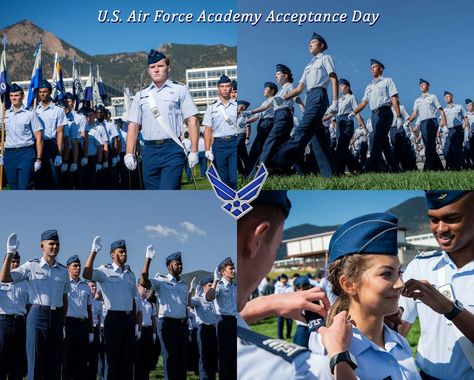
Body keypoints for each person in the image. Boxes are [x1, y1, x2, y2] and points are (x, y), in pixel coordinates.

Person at [237, 191, 357, 379]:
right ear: (256, 240)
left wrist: (267, 304)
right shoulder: (291, 369)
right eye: (276, 248)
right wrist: (339, 354)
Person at [307, 212, 419, 379]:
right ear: (349, 284)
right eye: (386, 274)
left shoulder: (398, 342)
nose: (400, 283)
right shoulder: (327, 354)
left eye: (399, 272)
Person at [399, 191, 474, 379]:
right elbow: (399, 326)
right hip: (425, 374)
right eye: (433, 220)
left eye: (451, 218)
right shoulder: (420, 266)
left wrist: (450, 309)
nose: (440, 229)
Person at [0, 230, 70, 380]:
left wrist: (62, 322)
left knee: (55, 365)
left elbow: (64, 298)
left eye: (57, 244)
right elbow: (5, 277)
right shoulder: (31, 266)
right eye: (51, 243)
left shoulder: (63, 271)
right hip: (38, 315)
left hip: (57, 317)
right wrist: (10, 253)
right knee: (35, 364)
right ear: (42, 246)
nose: (54, 247)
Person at [125, 49, 199, 189]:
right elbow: (133, 126)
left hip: (172, 149)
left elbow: (192, 120)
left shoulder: (180, 90)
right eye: (152, 67)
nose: (156, 70)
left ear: (168, 68)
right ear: (148, 70)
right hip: (149, 151)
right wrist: (129, 153)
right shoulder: (141, 95)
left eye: (160, 66)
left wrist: (194, 150)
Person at [270, 33, 338, 178]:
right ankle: (330, 174)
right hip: (309, 97)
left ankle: (277, 164)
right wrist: (284, 98)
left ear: (321, 45)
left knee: (301, 131)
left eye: (313, 42)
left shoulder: (326, 58)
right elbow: (299, 89)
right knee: (318, 139)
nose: (310, 44)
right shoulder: (308, 66)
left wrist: (335, 101)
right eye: (309, 43)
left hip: (320, 94)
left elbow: (333, 78)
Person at [82, 237, 137, 380]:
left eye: (125, 252)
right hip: (113, 319)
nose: (124, 254)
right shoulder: (105, 270)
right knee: (112, 361)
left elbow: (133, 300)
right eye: (121, 252)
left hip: (129, 319)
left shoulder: (131, 275)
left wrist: (136, 323)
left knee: (127, 362)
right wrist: (93, 251)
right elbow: (86, 274)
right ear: (113, 254)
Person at [139, 246, 189, 380]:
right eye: (177, 264)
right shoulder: (161, 281)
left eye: (181, 264)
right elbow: (143, 282)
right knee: (170, 359)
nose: (180, 266)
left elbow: (184, 305)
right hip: (168, 324)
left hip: (182, 325)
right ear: (169, 266)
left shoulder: (184, 285)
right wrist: (148, 259)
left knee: (182, 360)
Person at [245, 65, 304, 175]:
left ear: (285, 75)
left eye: (277, 74)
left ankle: (260, 169)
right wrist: (250, 112)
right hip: (279, 116)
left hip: (284, 115)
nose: (275, 76)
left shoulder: (289, 86)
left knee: (270, 141)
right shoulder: (279, 91)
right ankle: (300, 171)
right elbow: (266, 106)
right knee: (286, 145)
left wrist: (304, 110)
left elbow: (297, 98)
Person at [351, 59, 402, 172]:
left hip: (385, 112)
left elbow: (394, 98)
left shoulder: (387, 81)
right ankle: (394, 169)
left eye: (374, 66)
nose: (372, 69)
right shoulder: (369, 86)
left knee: (377, 141)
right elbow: (364, 103)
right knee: (384, 143)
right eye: (371, 67)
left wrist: (398, 116)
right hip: (374, 115)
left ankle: (366, 168)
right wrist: (354, 112)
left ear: (381, 69)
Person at [2, 83, 43, 190]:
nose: (13, 98)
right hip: (9, 154)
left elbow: (39, 137)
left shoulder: (30, 114)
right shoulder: (4, 114)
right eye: (11, 96)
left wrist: (38, 159)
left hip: (26, 154)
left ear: (22, 96)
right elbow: (2, 135)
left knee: (24, 187)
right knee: (13, 187)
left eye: (16, 95)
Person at [203, 75, 238, 189]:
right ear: (218, 88)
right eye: (222, 86)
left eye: (227, 86)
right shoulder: (212, 108)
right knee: (223, 179)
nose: (224, 89)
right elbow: (207, 129)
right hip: (219, 145)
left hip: (234, 143)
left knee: (234, 178)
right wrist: (207, 150)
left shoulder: (236, 106)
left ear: (231, 88)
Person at [206, 257, 237, 380]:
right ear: (223, 272)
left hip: (234, 321)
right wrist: (214, 282)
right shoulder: (218, 285)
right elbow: (209, 297)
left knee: (234, 354)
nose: (234, 271)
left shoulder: (235, 286)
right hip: (223, 321)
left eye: (234, 268)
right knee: (224, 355)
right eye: (231, 269)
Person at [63, 255, 93, 380]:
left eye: (79, 265)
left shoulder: (86, 287)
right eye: (75, 265)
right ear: (68, 268)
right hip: (69, 324)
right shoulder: (64, 284)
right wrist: (62, 326)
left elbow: (89, 310)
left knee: (81, 361)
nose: (78, 268)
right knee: (67, 360)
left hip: (83, 325)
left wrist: (90, 330)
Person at [406, 79, 446, 171]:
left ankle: (427, 168)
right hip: (423, 123)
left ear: (428, 86)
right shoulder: (417, 100)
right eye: (420, 85)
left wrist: (443, 122)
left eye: (424, 84)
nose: (422, 86)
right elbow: (414, 113)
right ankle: (440, 168)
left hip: (432, 122)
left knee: (430, 145)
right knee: (428, 145)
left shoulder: (432, 97)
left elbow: (440, 109)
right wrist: (408, 121)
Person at [0, 251, 29, 380]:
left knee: (17, 361)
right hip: (3, 322)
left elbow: (29, 305)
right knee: (1, 359)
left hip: (20, 323)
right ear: (5, 263)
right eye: (12, 261)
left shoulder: (25, 282)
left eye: (17, 261)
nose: (15, 264)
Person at [326, 78, 364, 175]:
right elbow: (333, 114)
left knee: (341, 147)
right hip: (339, 123)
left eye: (342, 86)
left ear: (348, 87)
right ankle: (357, 168)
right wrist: (322, 119)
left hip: (347, 122)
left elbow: (356, 110)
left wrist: (361, 123)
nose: (340, 88)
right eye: (339, 86)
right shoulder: (338, 101)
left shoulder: (351, 97)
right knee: (343, 148)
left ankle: (339, 171)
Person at [35, 79, 67, 189]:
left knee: (54, 179)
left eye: (44, 91)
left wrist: (59, 153)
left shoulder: (58, 110)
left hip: (51, 145)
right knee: (39, 179)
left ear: (50, 92)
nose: (42, 94)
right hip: (37, 146)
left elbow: (60, 132)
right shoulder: (34, 110)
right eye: (40, 92)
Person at [188, 276, 219, 380]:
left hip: (214, 329)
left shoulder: (215, 299)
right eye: (209, 286)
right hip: (204, 329)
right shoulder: (199, 298)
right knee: (204, 356)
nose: (212, 288)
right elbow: (189, 303)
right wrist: (191, 290)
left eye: (212, 285)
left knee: (213, 355)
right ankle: (204, 377)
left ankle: (211, 377)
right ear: (204, 287)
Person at [246, 82, 277, 175]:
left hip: (268, 123)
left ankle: (254, 173)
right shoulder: (264, 101)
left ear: (272, 91)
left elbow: (264, 108)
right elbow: (257, 116)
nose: (264, 91)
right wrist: (244, 122)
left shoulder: (274, 99)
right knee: (257, 148)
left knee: (259, 147)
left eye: (266, 89)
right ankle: (252, 172)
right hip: (262, 123)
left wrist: (248, 112)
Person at [134, 283, 157, 380]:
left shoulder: (150, 304)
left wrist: (154, 333)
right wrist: (136, 329)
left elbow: (153, 319)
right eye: (143, 287)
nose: (145, 290)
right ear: (137, 287)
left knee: (146, 357)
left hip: (148, 332)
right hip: (138, 331)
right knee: (137, 357)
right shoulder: (135, 301)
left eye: (147, 288)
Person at [442, 91, 468, 171]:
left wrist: (464, 127)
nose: (446, 98)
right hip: (448, 130)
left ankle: (456, 167)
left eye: (448, 96)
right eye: (445, 97)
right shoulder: (444, 110)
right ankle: (450, 165)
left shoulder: (459, 107)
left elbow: (465, 117)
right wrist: (439, 130)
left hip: (458, 129)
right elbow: (441, 121)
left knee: (457, 148)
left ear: (452, 97)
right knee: (447, 149)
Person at [86, 280, 103, 380]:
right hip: (86, 328)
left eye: (95, 286)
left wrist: (99, 333)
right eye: (92, 286)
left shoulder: (98, 303)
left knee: (94, 358)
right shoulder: (84, 299)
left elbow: (100, 317)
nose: (94, 288)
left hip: (96, 329)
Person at [273, 273, 294, 339]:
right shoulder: (277, 287)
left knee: (289, 322)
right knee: (280, 322)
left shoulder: (290, 287)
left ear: (287, 280)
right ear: (280, 280)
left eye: (285, 279)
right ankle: (280, 336)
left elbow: (291, 296)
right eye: (282, 279)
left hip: (289, 307)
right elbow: (276, 296)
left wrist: (283, 297)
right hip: (280, 307)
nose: (284, 280)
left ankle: (288, 335)